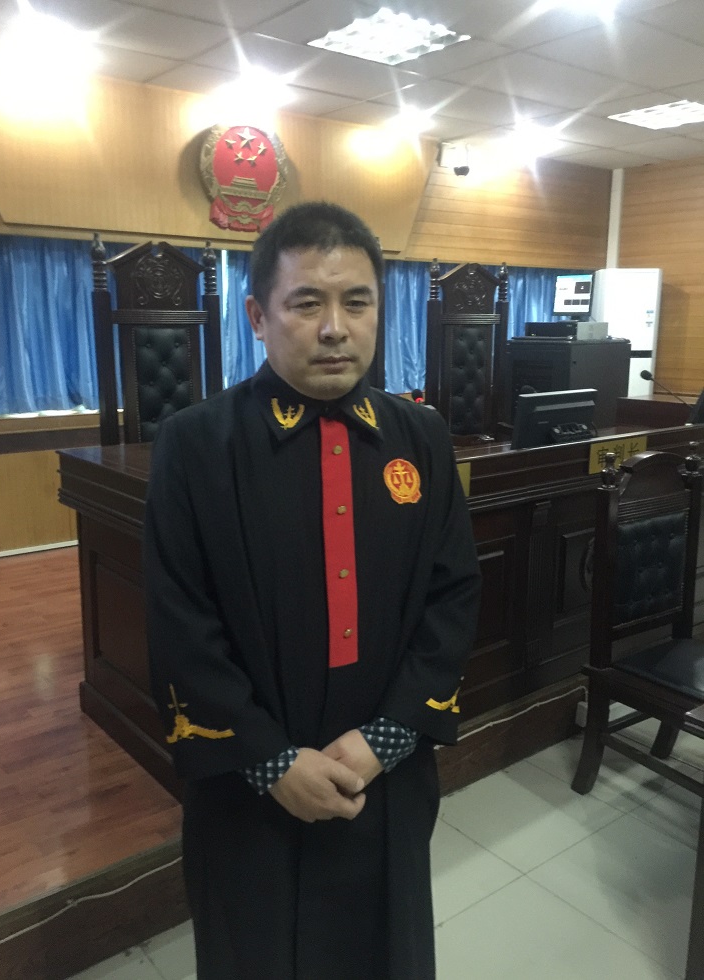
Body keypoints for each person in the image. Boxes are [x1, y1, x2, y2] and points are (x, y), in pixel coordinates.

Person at [144, 201, 481, 980]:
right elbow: (177, 621)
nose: (334, 328)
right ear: (258, 317)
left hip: (383, 770)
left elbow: (453, 593)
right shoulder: (194, 445)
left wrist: (387, 737)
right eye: (306, 303)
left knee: (383, 952)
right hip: (248, 781)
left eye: (356, 302)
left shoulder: (421, 437)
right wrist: (269, 761)